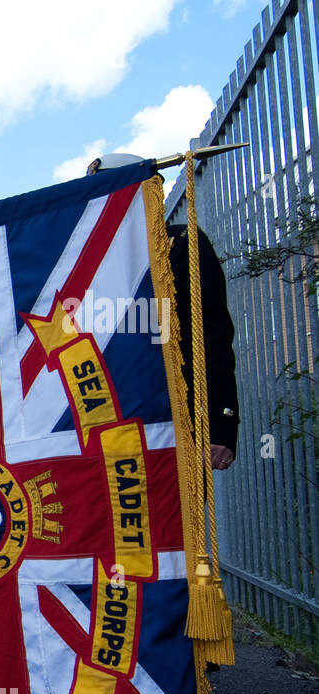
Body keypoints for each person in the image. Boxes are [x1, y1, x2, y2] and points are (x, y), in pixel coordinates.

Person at [87, 152, 240, 468]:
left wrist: (219, 423)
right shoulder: (87, 263)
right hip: (102, 426)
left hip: (168, 423)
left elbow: (210, 339)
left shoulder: (180, 244)